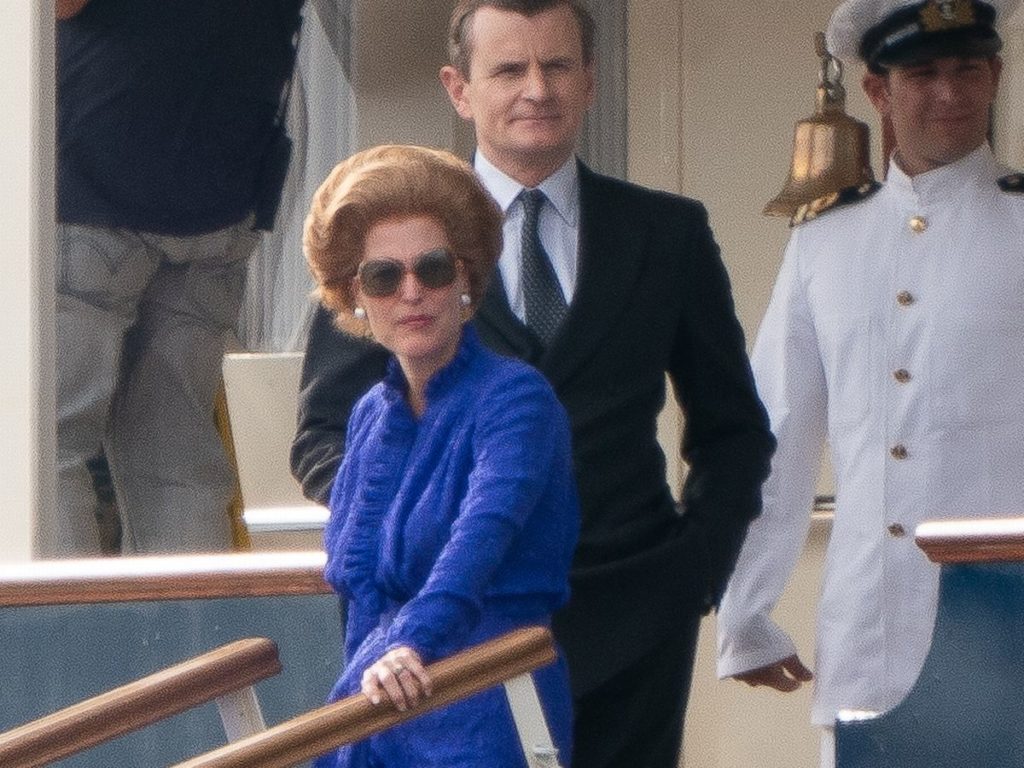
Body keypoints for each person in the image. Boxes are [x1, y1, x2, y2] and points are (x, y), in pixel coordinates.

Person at [292, 2, 775, 765]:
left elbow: (734, 430)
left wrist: (693, 574)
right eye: (509, 69)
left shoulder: (666, 234)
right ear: (459, 88)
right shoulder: (393, 244)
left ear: (590, 81)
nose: (537, 90)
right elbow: (324, 437)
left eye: (556, 66)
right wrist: (416, 536)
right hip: (449, 645)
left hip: (634, 622)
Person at [716, 0, 1024, 765]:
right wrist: (745, 613)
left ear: (996, 74)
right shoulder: (826, 240)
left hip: (1008, 636)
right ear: (878, 91)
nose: (949, 93)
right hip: (871, 639)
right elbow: (774, 431)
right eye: (923, 74)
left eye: (968, 69)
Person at [304, 144, 578, 768]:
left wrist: (407, 646)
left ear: (466, 280)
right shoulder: (369, 416)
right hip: (378, 709)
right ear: (354, 295)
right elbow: (361, 599)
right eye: (384, 276)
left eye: (432, 269)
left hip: (488, 706)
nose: (412, 293)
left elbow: (474, 551)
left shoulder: (517, 400)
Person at [49, 0, 304, 555]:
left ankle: (61, 618)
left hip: (96, 177)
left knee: (47, 448)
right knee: (175, 459)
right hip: (222, 191)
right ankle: (191, 617)